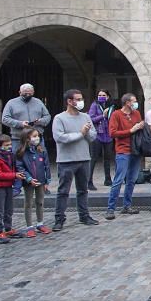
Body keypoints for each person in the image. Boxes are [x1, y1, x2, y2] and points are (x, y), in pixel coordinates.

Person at [52, 89, 98, 228]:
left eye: (81, 98)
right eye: (77, 99)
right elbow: (60, 138)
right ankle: (59, 219)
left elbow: (93, 136)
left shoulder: (85, 117)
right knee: (63, 191)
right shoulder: (59, 118)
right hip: (66, 161)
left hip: (84, 158)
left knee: (83, 190)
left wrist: (87, 132)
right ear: (69, 101)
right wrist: (80, 133)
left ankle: (84, 216)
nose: (80, 101)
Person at [107, 94, 145, 219]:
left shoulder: (136, 114)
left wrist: (141, 126)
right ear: (128, 103)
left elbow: (139, 129)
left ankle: (127, 206)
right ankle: (110, 208)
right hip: (123, 151)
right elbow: (112, 133)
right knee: (118, 180)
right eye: (134, 101)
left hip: (135, 150)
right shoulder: (116, 115)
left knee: (131, 180)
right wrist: (130, 130)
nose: (136, 103)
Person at [0, 133, 25, 243]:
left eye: (10, 144)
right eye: (6, 145)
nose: (9, 146)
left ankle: (8, 229)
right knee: (0, 210)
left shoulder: (10, 156)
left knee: (9, 209)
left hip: (8, 186)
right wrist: (14, 175)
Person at [17, 127, 52, 237]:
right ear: (27, 139)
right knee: (28, 203)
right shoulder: (21, 152)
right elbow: (20, 167)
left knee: (40, 202)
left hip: (41, 181)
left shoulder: (41, 150)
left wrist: (47, 181)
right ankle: (29, 226)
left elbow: (47, 166)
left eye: (38, 136)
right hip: (29, 182)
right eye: (34, 136)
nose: (37, 138)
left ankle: (40, 223)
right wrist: (29, 179)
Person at [1, 84, 52, 151]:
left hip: (37, 139)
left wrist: (40, 121)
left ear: (33, 92)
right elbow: (5, 119)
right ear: (19, 92)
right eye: (25, 94)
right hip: (18, 139)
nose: (27, 95)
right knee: (18, 160)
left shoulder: (38, 102)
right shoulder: (11, 103)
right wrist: (20, 124)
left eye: (30, 94)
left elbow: (47, 116)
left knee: (41, 159)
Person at [87, 90, 114, 190]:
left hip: (108, 136)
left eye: (103, 95)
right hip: (97, 135)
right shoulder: (95, 105)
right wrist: (102, 116)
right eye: (99, 95)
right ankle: (89, 181)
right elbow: (91, 118)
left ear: (108, 96)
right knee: (93, 158)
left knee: (107, 158)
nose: (101, 97)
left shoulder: (111, 106)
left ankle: (108, 179)